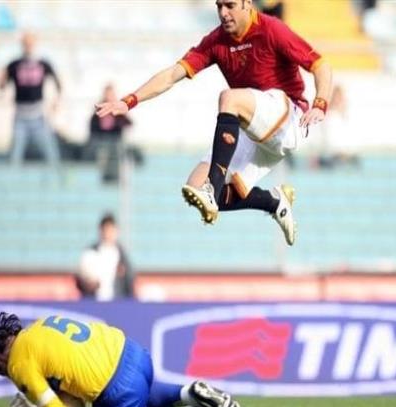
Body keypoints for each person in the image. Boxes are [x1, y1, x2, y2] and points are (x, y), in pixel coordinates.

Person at [96, 0, 332, 246]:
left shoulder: (271, 29)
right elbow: (171, 75)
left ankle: (213, 188)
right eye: (219, 6)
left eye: (230, 5)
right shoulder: (216, 41)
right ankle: (274, 202)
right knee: (194, 188)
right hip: (253, 127)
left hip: (290, 119)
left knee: (229, 99)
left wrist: (321, 103)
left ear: (247, 3)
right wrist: (129, 101)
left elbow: (321, 65)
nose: (223, 13)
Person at [0, 311, 242, 407]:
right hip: (133, 351)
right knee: (139, 390)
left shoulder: (17, 364)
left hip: (117, 388)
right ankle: (189, 392)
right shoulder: (39, 325)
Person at [0, 32, 61, 167]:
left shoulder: (43, 63)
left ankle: (56, 177)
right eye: (26, 43)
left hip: (38, 116)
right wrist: (1, 82)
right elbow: (2, 86)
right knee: (15, 154)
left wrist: (56, 102)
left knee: (51, 153)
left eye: (31, 43)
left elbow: (58, 84)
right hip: (20, 115)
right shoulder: (14, 64)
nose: (28, 46)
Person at [76, 213, 135, 300]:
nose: (108, 234)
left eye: (111, 230)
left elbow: (129, 282)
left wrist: (123, 274)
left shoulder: (122, 255)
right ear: (100, 231)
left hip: (116, 302)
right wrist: (87, 285)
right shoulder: (90, 253)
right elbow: (80, 281)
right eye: (106, 230)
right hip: (94, 302)